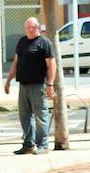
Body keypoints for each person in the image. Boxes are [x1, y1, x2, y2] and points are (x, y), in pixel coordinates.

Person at [4, 16, 55, 155]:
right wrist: (8, 81)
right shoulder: (22, 42)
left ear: (38, 28)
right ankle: (28, 144)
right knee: (24, 116)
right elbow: (15, 63)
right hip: (23, 85)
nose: (30, 29)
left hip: (38, 85)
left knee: (41, 116)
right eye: (28, 27)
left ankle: (43, 145)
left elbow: (51, 65)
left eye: (33, 27)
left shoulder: (44, 43)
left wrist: (50, 84)